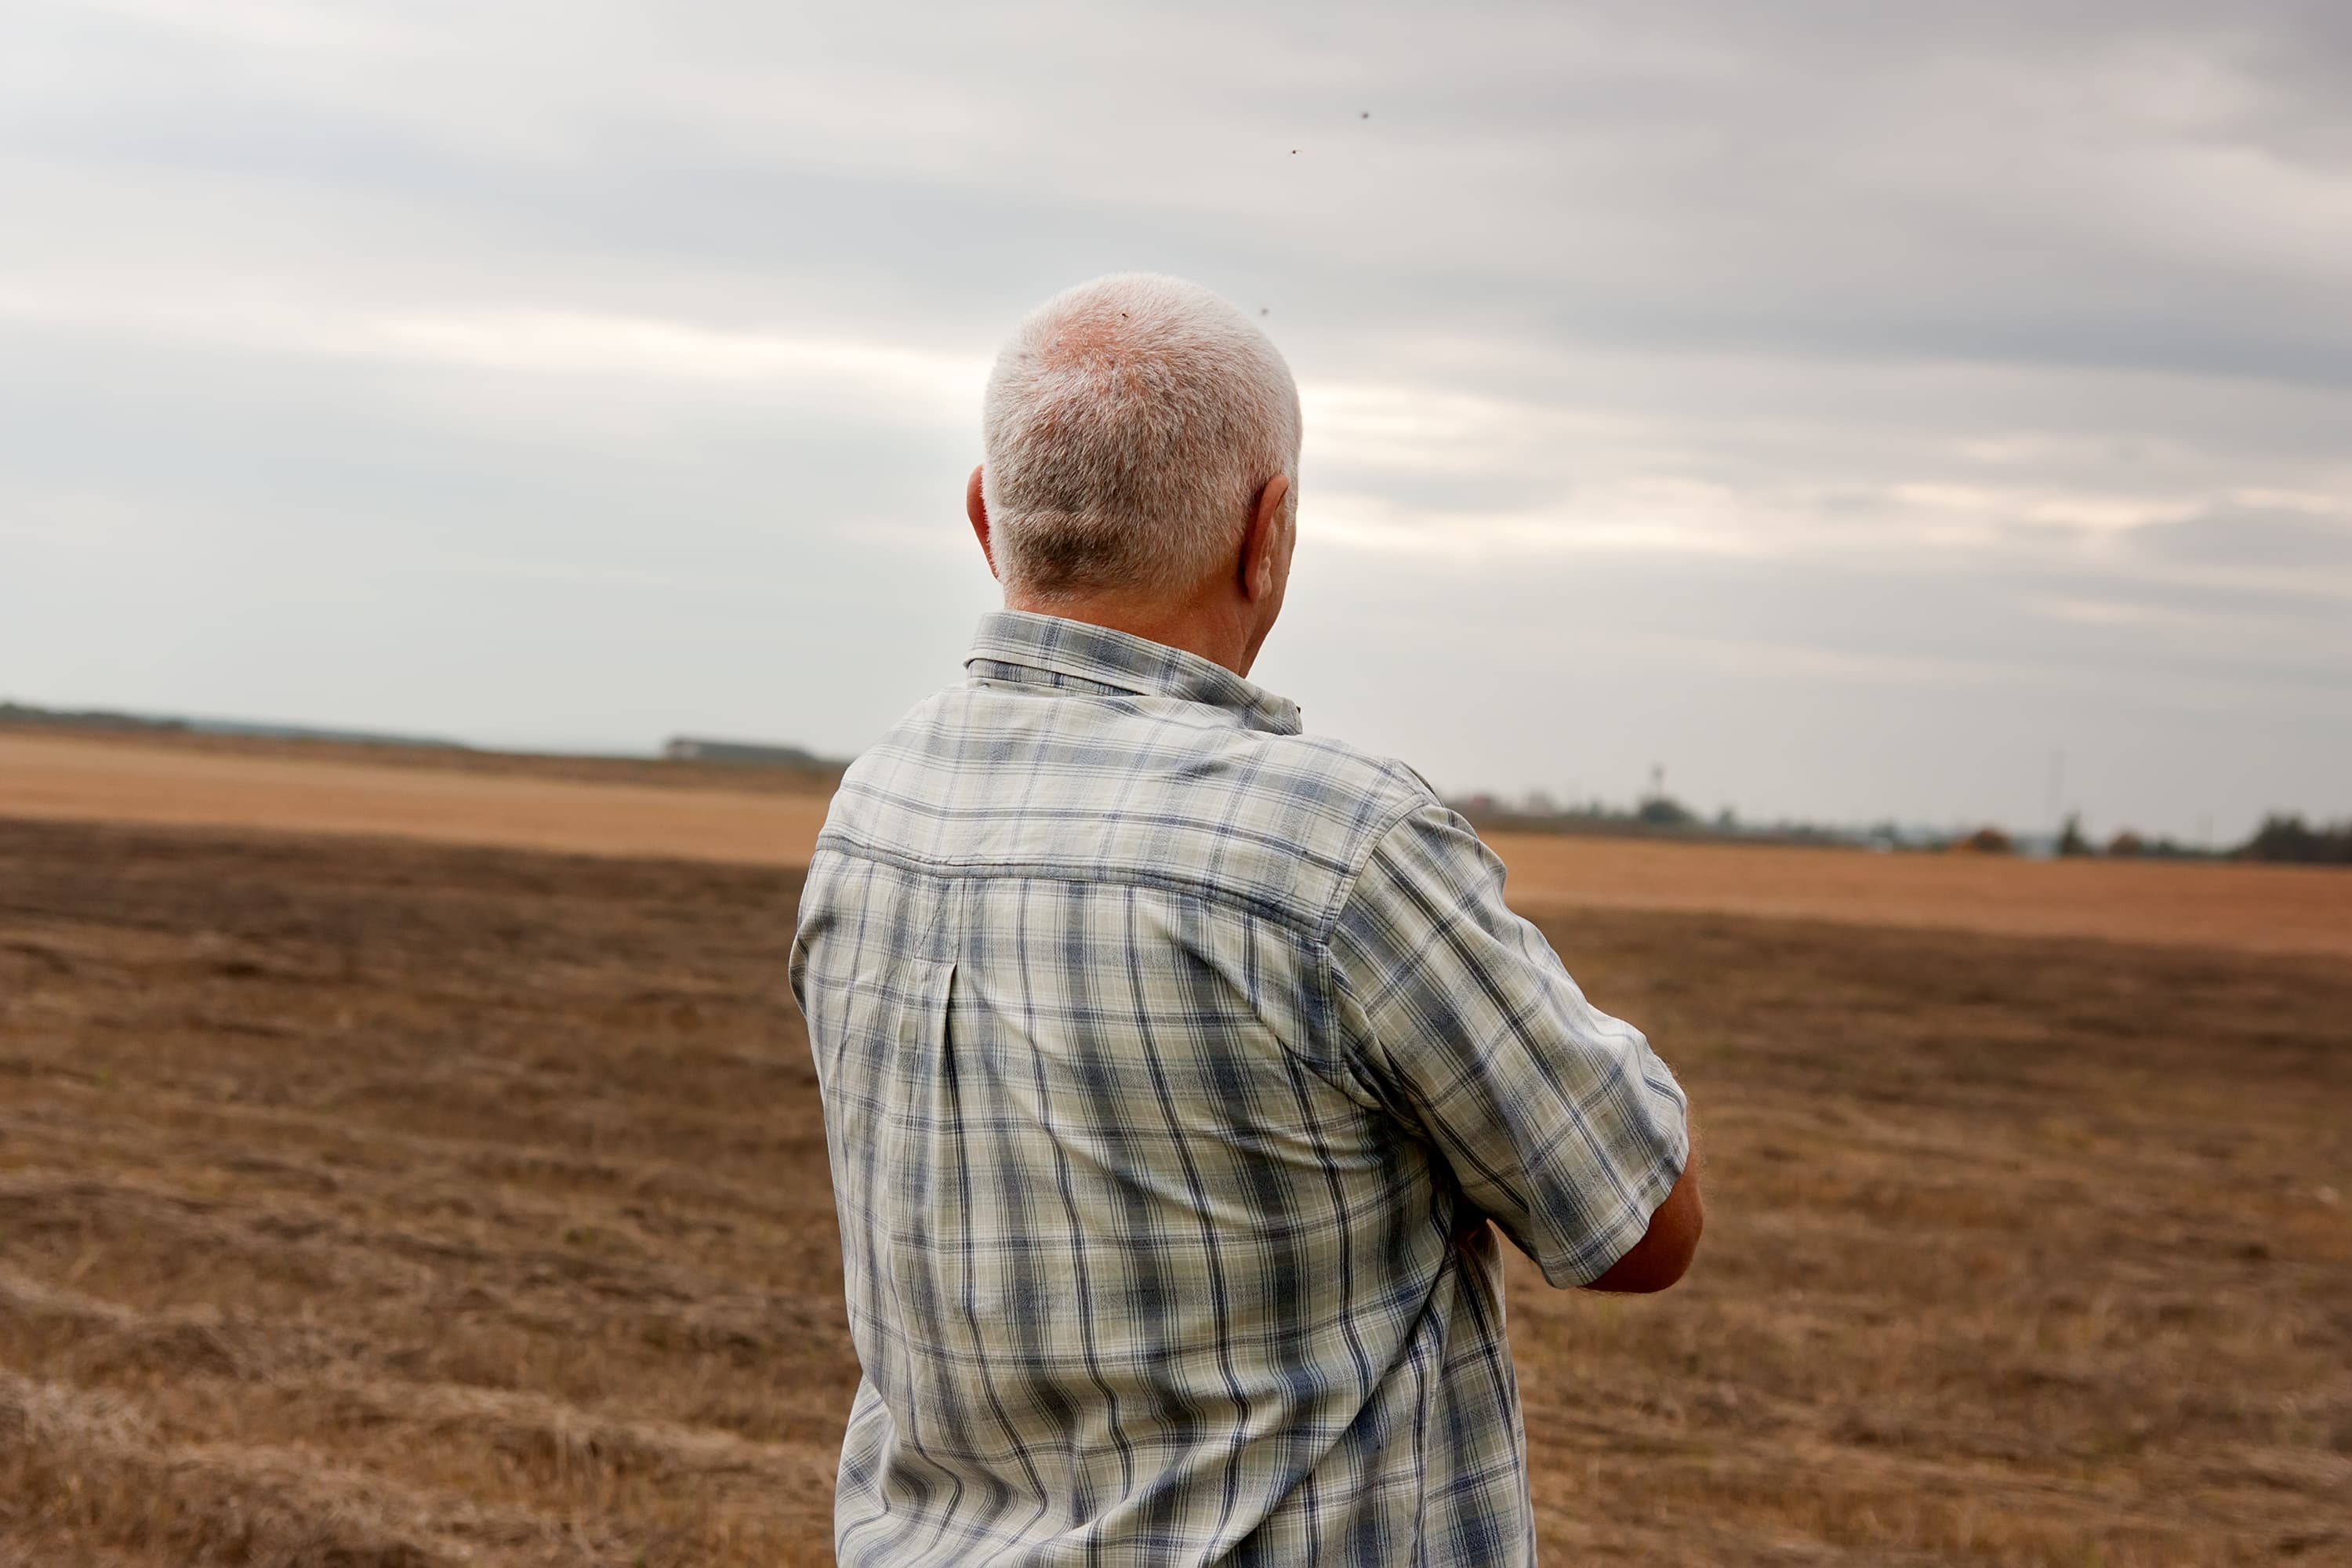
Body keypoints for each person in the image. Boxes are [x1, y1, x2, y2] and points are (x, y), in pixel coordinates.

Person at [790, 274, 1701, 1565]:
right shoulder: (1336, 845)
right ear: (1268, 532)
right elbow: (1639, 1227)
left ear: (988, 520)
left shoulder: (873, 812)